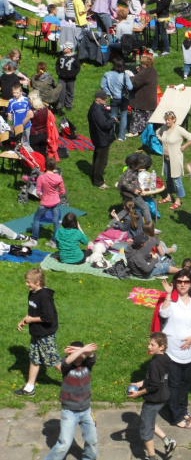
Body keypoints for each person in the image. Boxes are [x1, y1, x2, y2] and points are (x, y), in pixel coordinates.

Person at [151, 270, 191, 429]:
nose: (183, 284)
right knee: (174, 384)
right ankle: (175, 416)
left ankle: (182, 409)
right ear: (175, 283)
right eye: (179, 281)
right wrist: (168, 295)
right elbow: (163, 314)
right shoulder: (169, 299)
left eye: (186, 281)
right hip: (173, 351)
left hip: (190, 351)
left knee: (185, 383)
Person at [43, 341, 98, 460]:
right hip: (69, 412)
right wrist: (81, 350)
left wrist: (84, 351)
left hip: (86, 410)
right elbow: (66, 362)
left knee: (92, 440)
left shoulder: (87, 364)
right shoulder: (66, 366)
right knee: (64, 444)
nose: (79, 355)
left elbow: (92, 356)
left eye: (81, 353)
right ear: (69, 354)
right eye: (76, 352)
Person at [127, 332, 177, 460]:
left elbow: (153, 385)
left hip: (154, 399)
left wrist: (138, 393)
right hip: (163, 396)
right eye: (149, 343)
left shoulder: (154, 364)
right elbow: (156, 379)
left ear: (161, 347)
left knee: (145, 431)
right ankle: (168, 442)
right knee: (149, 421)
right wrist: (140, 383)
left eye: (152, 344)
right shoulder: (165, 359)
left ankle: (151, 457)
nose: (149, 347)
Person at [14, 268, 61, 397]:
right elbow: (32, 311)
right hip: (36, 333)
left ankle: (76, 379)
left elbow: (48, 318)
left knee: (54, 361)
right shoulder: (33, 293)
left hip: (45, 334)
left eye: (28, 282)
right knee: (34, 359)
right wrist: (24, 321)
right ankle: (29, 388)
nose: (26, 284)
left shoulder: (45, 297)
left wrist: (30, 320)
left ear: (38, 282)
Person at [157, 111, 191, 210]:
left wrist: (183, 147)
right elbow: (157, 132)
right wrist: (162, 140)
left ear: (174, 119)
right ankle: (169, 196)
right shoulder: (164, 128)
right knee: (168, 178)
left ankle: (178, 200)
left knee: (177, 179)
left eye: (169, 120)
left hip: (175, 159)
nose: (167, 122)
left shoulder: (179, 129)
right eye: (166, 120)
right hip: (166, 159)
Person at [22, 158, 65, 249]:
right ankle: (54, 241)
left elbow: (38, 191)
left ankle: (34, 240)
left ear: (45, 166)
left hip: (45, 202)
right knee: (56, 221)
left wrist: (42, 197)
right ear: (55, 167)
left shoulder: (41, 177)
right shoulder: (58, 177)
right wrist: (56, 194)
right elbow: (62, 191)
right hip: (56, 202)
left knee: (36, 218)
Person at [87, 90, 117, 189]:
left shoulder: (96, 107)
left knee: (97, 159)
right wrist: (113, 120)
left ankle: (95, 176)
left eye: (106, 98)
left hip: (99, 137)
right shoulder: (97, 110)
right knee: (101, 162)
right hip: (102, 139)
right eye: (103, 98)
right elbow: (104, 125)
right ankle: (98, 182)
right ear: (97, 99)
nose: (105, 99)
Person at [101, 57, 133, 142]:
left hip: (113, 98)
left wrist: (109, 93)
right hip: (123, 98)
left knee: (112, 116)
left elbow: (103, 85)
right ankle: (121, 136)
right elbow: (130, 87)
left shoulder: (107, 74)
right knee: (123, 116)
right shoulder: (125, 75)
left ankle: (111, 135)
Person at [116, 152, 152, 223]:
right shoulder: (130, 172)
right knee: (145, 207)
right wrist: (134, 190)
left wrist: (139, 187)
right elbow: (124, 183)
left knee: (126, 210)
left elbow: (134, 181)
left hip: (128, 193)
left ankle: (112, 223)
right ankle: (149, 226)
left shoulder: (133, 170)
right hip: (131, 194)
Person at [127, 56, 158, 137]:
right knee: (148, 118)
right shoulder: (153, 71)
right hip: (150, 99)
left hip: (142, 100)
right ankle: (147, 131)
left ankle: (135, 131)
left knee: (137, 116)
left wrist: (130, 77)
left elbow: (135, 83)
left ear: (144, 64)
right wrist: (139, 72)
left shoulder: (145, 72)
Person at [55, 42, 80, 115]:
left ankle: (68, 105)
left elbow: (77, 68)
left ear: (69, 49)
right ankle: (60, 105)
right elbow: (57, 64)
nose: (63, 49)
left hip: (71, 79)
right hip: (61, 78)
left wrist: (72, 75)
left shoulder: (75, 57)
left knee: (70, 92)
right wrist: (58, 72)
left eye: (65, 48)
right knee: (61, 91)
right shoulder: (61, 56)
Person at [22, 91, 49, 157]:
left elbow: (24, 123)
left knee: (36, 155)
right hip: (45, 134)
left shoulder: (31, 112)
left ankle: (37, 166)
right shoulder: (46, 109)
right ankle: (45, 166)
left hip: (35, 135)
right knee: (43, 153)